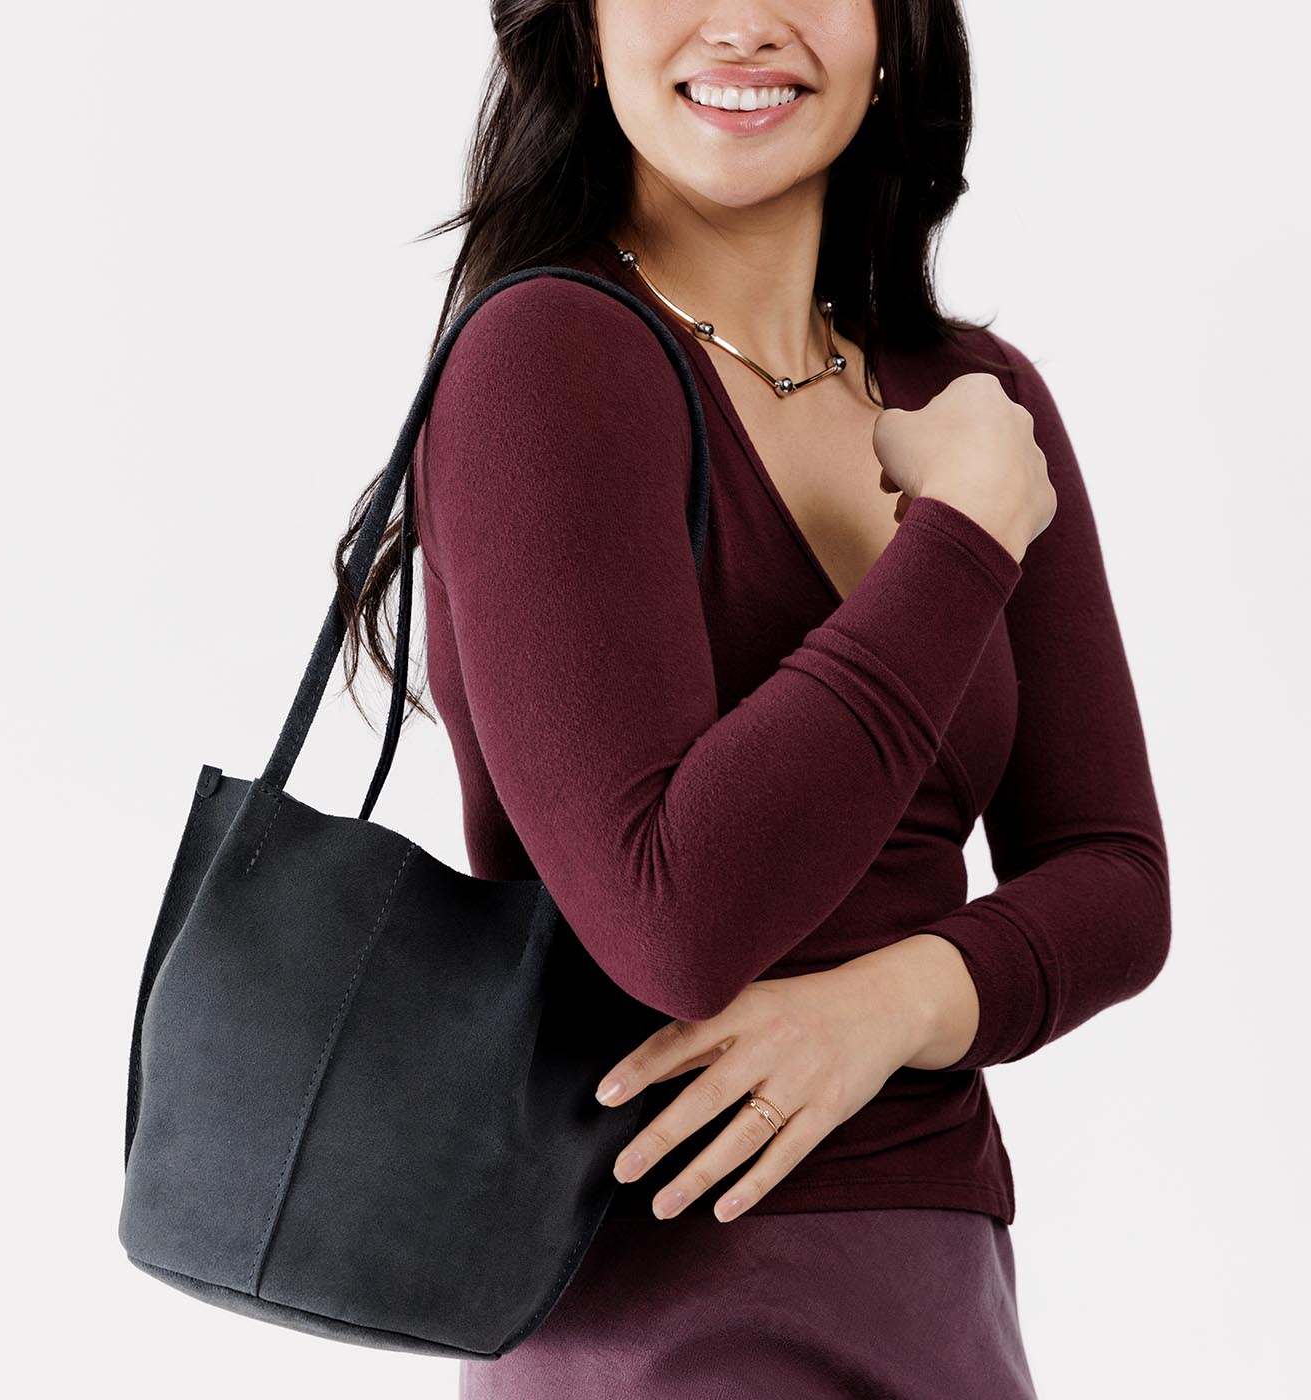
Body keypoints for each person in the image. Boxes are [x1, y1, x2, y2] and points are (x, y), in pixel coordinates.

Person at [334, 3, 1171, 1396]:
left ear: (893, 32)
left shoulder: (971, 393)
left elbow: (1117, 877)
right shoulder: (550, 354)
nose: (741, 22)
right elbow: (674, 922)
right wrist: (959, 539)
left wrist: (886, 1008)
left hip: (938, 1282)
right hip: (653, 1298)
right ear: (581, 28)